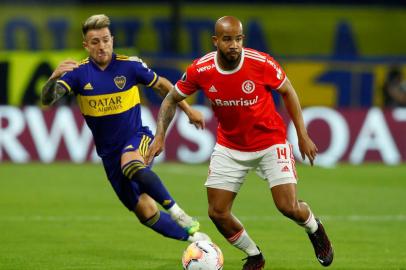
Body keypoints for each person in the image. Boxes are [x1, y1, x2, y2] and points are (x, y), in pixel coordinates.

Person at [147, 16, 333, 269]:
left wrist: (302, 135)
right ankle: (255, 255)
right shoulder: (201, 70)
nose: (234, 45)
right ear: (216, 41)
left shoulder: (261, 63)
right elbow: (170, 99)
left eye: (238, 39)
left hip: (270, 142)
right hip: (230, 146)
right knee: (217, 212)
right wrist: (160, 137)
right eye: (227, 39)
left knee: (288, 207)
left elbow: (288, 90)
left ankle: (314, 228)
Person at [41, 14, 210, 244]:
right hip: (109, 156)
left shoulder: (130, 66)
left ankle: (179, 213)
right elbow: (48, 99)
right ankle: (198, 240)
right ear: (86, 45)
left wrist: (188, 111)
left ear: (113, 39)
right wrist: (53, 78)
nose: (102, 46)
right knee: (146, 213)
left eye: (105, 40)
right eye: (95, 42)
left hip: (137, 137)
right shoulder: (78, 74)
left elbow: (163, 86)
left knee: (130, 163)